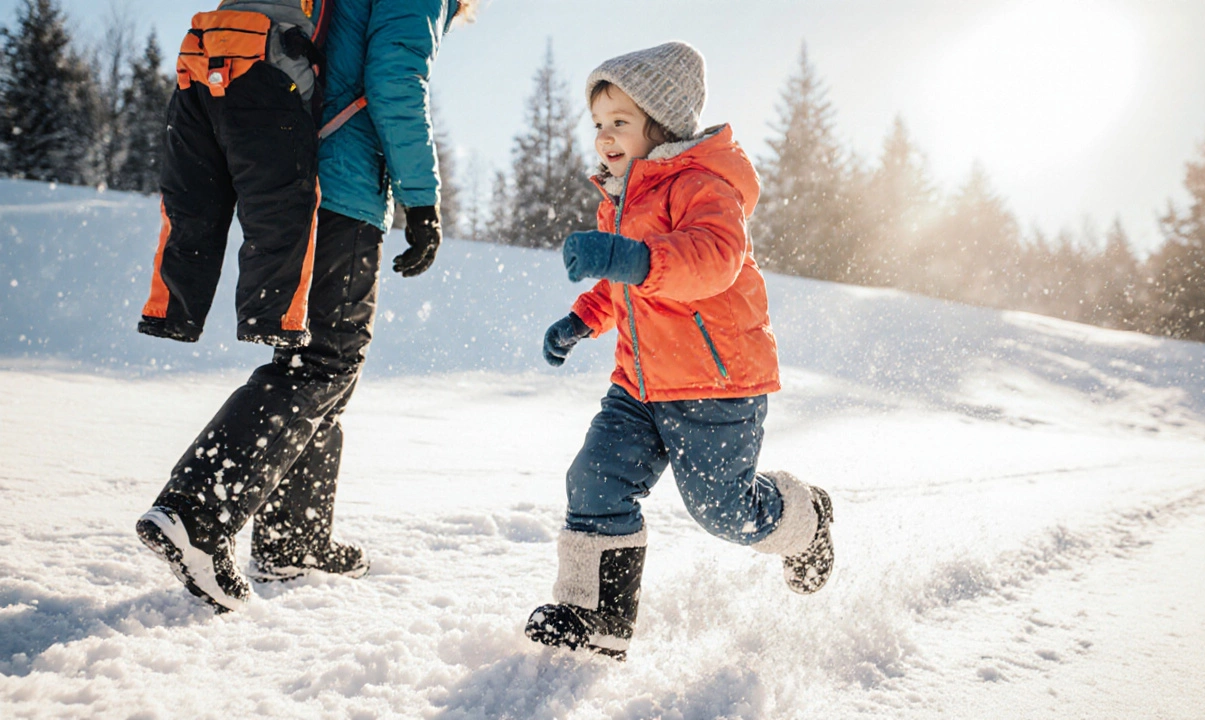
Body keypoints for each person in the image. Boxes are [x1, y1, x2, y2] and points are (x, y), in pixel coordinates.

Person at [135, 0, 475, 613]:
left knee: (318, 367)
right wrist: (421, 200)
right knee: (324, 362)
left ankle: (296, 537)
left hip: (298, 171)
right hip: (340, 186)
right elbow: (396, 79)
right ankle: (198, 511)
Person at [524, 41, 835, 660]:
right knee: (593, 480)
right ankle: (593, 619)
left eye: (620, 122)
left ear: (659, 124)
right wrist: (583, 318)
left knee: (724, 512)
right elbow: (628, 291)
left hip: (716, 387)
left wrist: (630, 256)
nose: (604, 137)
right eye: (599, 125)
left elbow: (711, 262)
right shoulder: (620, 197)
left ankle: (806, 519)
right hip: (638, 386)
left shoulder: (705, 184)